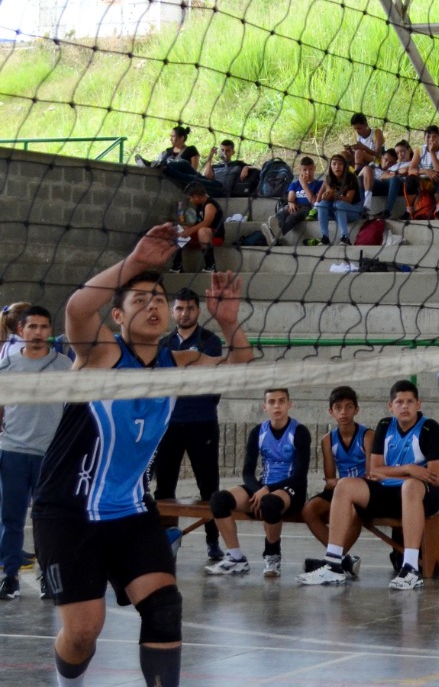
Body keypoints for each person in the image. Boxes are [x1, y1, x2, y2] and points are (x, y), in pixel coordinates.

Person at [31, 226, 252, 687]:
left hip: (131, 511)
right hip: (69, 512)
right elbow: (75, 308)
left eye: (158, 300)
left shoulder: (178, 362)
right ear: (117, 314)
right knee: (84, 630)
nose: (153, 306)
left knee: (165, 608)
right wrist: (134, 262)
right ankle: (67, 682)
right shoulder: (102, 352)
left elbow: (238, 369)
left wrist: (229, 324)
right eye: (140, 300)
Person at [297, 380, 439, 590]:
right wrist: (410, 469)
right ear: (390, 406)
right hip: (389, 491)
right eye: (399, 402)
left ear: (418, 404)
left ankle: (411, 568)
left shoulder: (430, 428)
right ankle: (333, 564)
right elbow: (374, 471)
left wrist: (396, 476)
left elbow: (435, 477)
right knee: (345, 485)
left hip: (423, 496)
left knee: (411, 487)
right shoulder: (385, 426)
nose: (405, 406)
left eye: (410, 402)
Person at [0, 305, 73, 602]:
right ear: (21, 331)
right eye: (32, 327)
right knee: (11, 518)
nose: (38, 332)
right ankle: (11, 577)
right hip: (13, 452)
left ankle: (48, 577)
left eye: (44, 327)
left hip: (50, 455)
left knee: (49, 520)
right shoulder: (7, 366)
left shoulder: (64, 365)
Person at [150, 288, 225, 562]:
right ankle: (167, 542)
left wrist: (180, 372)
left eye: (189, 308)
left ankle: (213, 542)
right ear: (173, 312)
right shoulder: (163, 343)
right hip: (167, 423)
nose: (184, 313)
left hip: (202, 422)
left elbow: (206, 376)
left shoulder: (210, 341)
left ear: (198, 310)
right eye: (179, 308)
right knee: (164, 488)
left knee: (209, 487)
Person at [204, 388, 310, 579]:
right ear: (265, 406)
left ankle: (272, 554)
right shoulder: (258, 432)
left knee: (269, 503)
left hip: (291, 488)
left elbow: (300, 475)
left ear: (289, 404)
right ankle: (236, 558)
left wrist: (266, 490)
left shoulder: (300, 432)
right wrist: (259, 490)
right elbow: (247, 472)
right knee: (218, 500)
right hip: (263, 487)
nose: (276, 406)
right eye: (272, 402)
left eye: (281, 401)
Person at [298, 385, 372, 577]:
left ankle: (332, 560)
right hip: (339, 488)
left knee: (354, 511)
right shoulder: (327, 440)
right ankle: (342, 560)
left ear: (357, 409)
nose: (343, 412)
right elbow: (329, 480)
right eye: (338, 408)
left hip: (364, 490)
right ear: (331, 412)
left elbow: (372, 474)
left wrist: (342, 482)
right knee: (309, 510)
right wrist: (339, 482)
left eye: (348, 407)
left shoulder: (367, 435)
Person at [268, 155, 322, 243]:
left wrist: (304, 185)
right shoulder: (295, 184)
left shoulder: (318, 184)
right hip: (296, 205)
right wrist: (291, 203)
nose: (307, 172)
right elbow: (290, 198)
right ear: (300, 170)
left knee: (293, 216)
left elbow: (313, 201)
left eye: (310, 169)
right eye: (304, 170)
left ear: (314, 169)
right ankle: (273, 232)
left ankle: (277, 234)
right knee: (283, 211)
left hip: (309, 209)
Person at [172, 184, 225, 274]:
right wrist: (186, 228)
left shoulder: (210, 204)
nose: (190, 201)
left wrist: (189, 231)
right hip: (200, 236)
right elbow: (197, 224)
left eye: (190, 198)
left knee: (202, 230)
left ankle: (210, 265)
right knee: (177, 229)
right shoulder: (200, 205)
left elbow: (206, 222)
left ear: (196, 197)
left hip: (214, 236)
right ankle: (177, 265)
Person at [315, 154, 361, 246]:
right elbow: (321, 198)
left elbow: (348, 199)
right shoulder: (329, 178)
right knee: (322, 204)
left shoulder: (351, 178)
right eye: (334, 164)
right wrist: (325, 196)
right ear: (330, 166)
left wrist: (334, 196)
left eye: (340, 164)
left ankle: (345, 237)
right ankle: (325, 237)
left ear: (345, 166)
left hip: (353, 211)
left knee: (339, 204)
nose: (337, 167)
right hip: (336, 211)